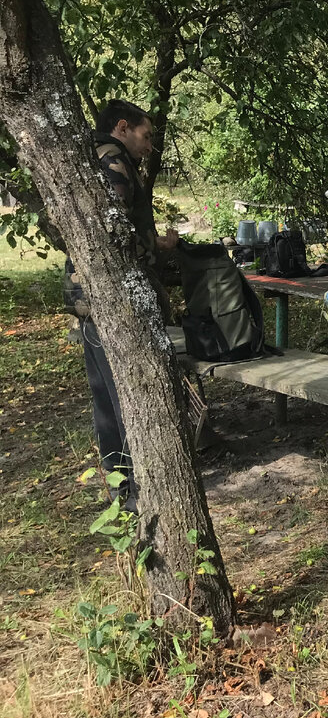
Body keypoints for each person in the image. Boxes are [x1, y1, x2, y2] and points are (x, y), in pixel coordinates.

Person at [63, 100, 178, 512]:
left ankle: (119, 482)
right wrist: (157, 247)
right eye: (146, 136)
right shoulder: (112, 161)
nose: (150, 145)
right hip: (109, 294)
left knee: (106, 397)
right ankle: (133, 488)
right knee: (126, 391)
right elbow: (113, 230)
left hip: (86, 294)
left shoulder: (90, 155)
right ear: (123, 127)